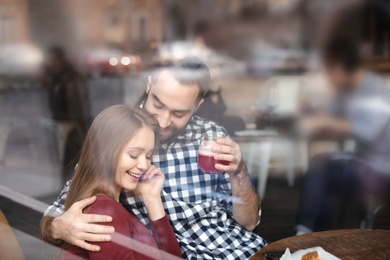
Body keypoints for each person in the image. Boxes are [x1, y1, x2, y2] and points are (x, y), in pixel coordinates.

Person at [41, 57, 266, 259]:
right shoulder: (122, 133)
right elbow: (56, 215)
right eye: (158, 104)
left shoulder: (212, 137)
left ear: (197, 106)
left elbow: (248, 223)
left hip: (242, 250)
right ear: (149, 84)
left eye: (178, 113)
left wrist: (239, 172)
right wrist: (59, 228)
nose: (163, 121)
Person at [295, 4, 390, 234]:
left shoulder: (378, 90)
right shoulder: (344, 91)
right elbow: (329, 117)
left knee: (321, 169)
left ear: (339, 67)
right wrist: (312, 114)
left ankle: (306, 232)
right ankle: (316, 232)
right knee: (319, 167)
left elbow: (365, 129)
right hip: (358, 164)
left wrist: (322, 123)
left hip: (381, 170)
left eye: (329, 70)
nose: (327, 76)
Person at [42, 105, 182, 259]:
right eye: (134, 155)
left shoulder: (107, 203)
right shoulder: (105, 210)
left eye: (148, 156)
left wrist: (152, 199)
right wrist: (54, 227)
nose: (144, 165)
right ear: (105, 152)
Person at [41, 46, 91, 182]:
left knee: (73, 158)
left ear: (60, 59)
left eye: (53, 59)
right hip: (64, 124)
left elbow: (77, 105)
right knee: (66, 159)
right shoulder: (57, 76)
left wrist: (79, 126)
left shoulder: (70, 78)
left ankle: (72, 187)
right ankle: (67, 187)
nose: (51, 63)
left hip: (72, 125)